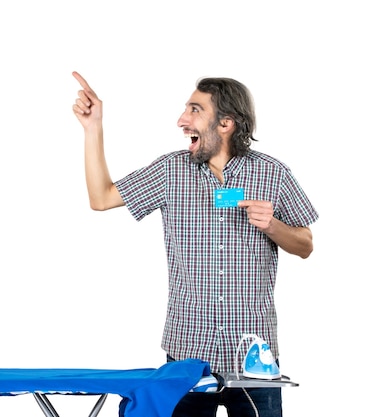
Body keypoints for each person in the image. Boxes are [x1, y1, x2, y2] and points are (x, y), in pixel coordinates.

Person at [71, 71, 318, 417]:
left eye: (195, 110)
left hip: (253, 358)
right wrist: (93, 128)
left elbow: (305, 244)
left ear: (226, 123)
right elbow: (101, 197)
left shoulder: (273, 174)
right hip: (187, 353)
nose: (181, 120)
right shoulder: (172, 171)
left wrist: (273, 226)